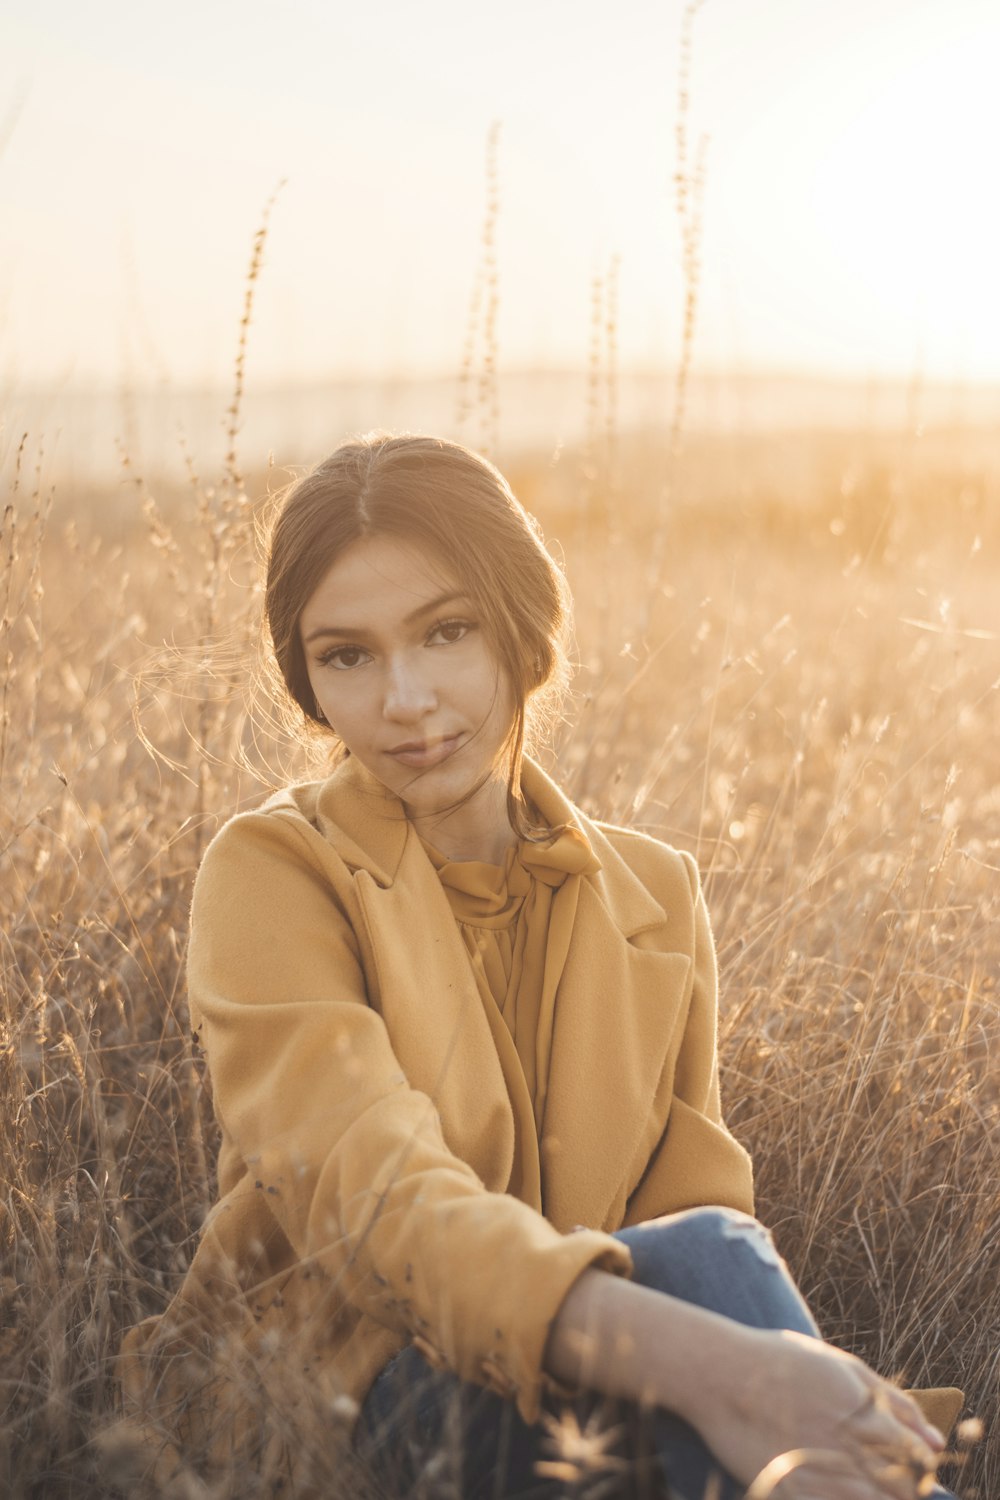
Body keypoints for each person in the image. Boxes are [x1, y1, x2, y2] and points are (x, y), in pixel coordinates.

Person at [121, 433, 962, 1499]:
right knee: (710, 1387)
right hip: (348, 1389)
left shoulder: (655, 891)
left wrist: (732, 1371)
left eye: (447, 632)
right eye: (348, 655)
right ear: (309, 684)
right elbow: (373, 1202)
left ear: (525, 632)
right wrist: (734, 1372)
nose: (406, 698)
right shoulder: (276, 870)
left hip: (595, 1386)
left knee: (703, 1265)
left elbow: (691, 1219)